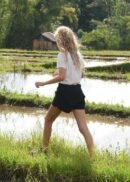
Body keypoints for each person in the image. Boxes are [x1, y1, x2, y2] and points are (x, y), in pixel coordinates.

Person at [34, 26, 94, 156]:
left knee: (48, 120)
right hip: (77, 92)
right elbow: (79, 75)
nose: (56, 42)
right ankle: (93, 157)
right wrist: (62, 73)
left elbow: (62, 77)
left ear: (61, 40)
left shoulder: (62, 55)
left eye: (57, 39)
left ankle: (44, 150)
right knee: (83, 128)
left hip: (64, 92)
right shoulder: (78, 55)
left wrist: (43, 83)